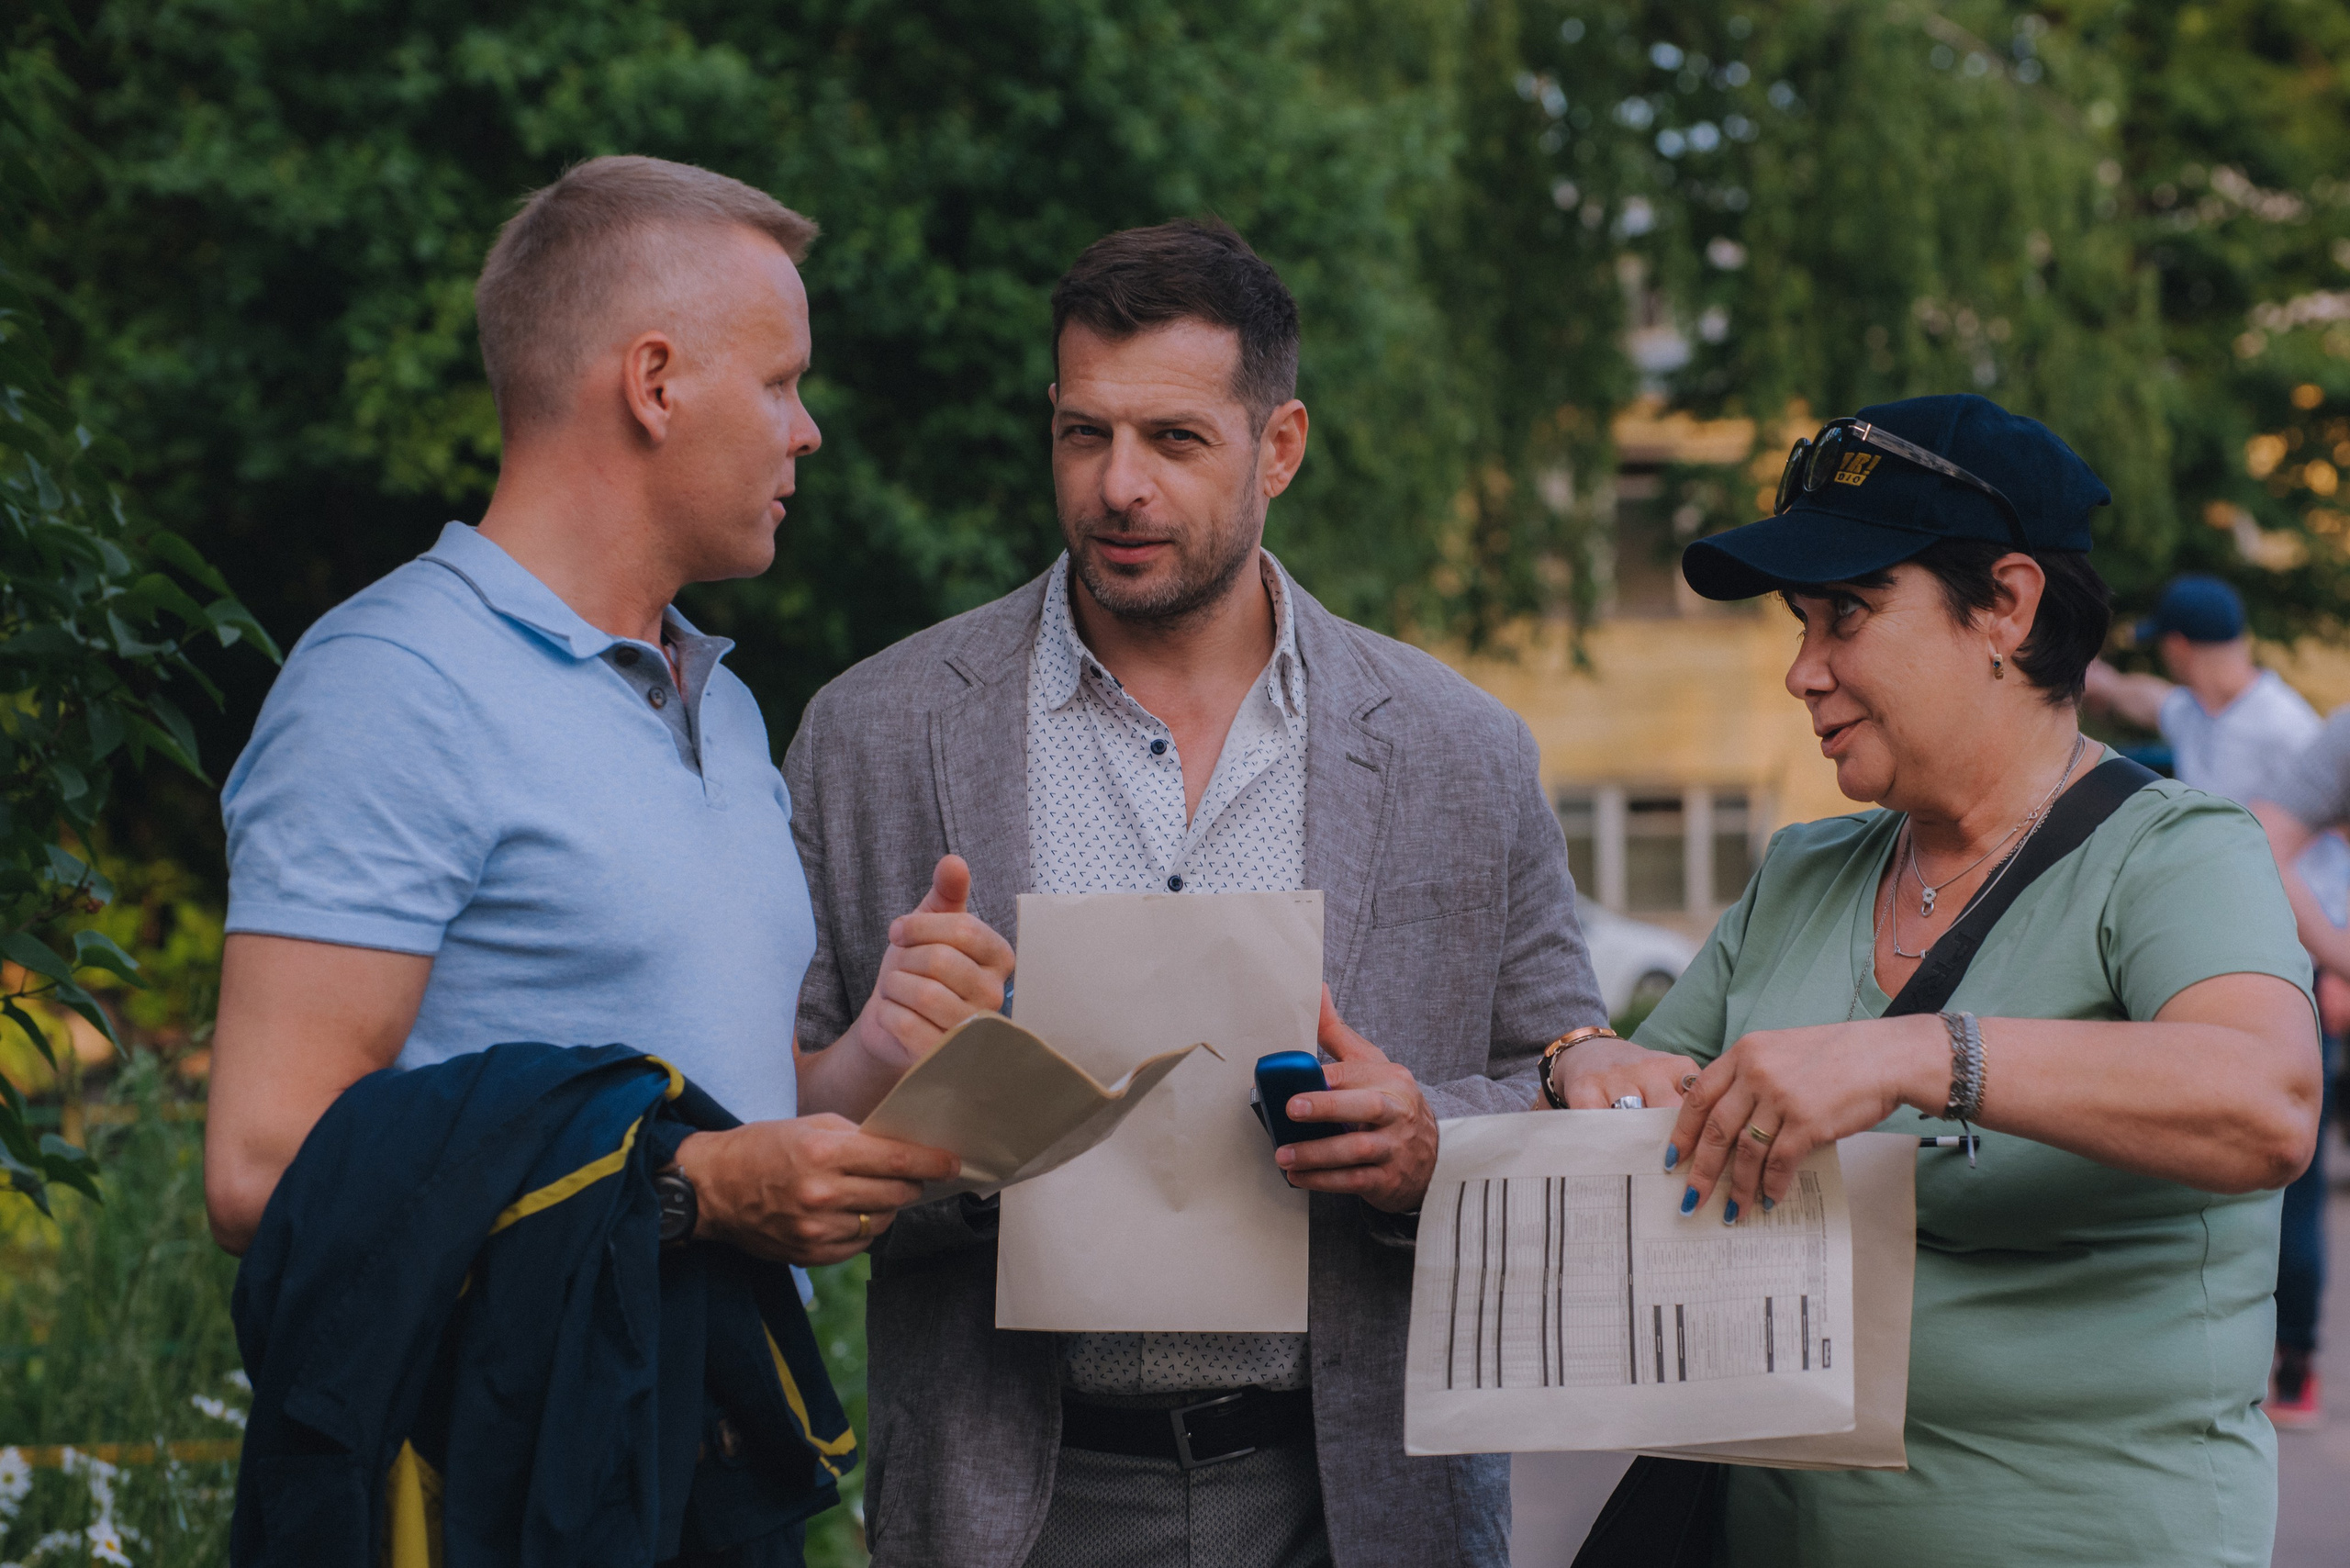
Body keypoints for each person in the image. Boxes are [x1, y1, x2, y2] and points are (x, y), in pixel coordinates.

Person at [781, 218, 1608, 1568]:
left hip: (1354, 1500)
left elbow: (1564, 1079)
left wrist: (1424, 1152)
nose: (1118, 488)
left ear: (1278, 446)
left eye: (1174, 441)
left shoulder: (1461, 749)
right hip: (1012, 1501)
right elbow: (778, 1110)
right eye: (1082, 435)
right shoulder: (872, 733)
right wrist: (905, 1095)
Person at [205, 158, 1013, 1287]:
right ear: (655, 384)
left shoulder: (718, 702)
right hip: (490, 1454)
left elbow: (733, 1114)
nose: (808, 430)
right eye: (781, 382)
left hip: (718, 1442)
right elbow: (264, 1166)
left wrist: (880, 1047)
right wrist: (694, 1193)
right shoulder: (390, 687)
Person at [1545, 395, 2322, 1567]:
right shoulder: (1806, 868)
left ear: (2004, 605)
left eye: (1845, 615)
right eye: (1799, 625)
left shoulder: (2174, 849)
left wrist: (1916, 1055)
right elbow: (1653, 1121)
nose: (1802, 672)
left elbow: (2266, 1100)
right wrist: (1584, 1066)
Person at [2085, 574, 2344, 1425]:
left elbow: (2323, 852)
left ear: (2184, 644)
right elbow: (2129, 692)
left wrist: (2334, 961)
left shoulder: (2290, 730)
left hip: (2301, 961)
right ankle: (2190, 1338)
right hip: (2204, 957)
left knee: (2286, 1164)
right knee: (2186, 1150)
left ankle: (2296, 1355)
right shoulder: (2194, 712)